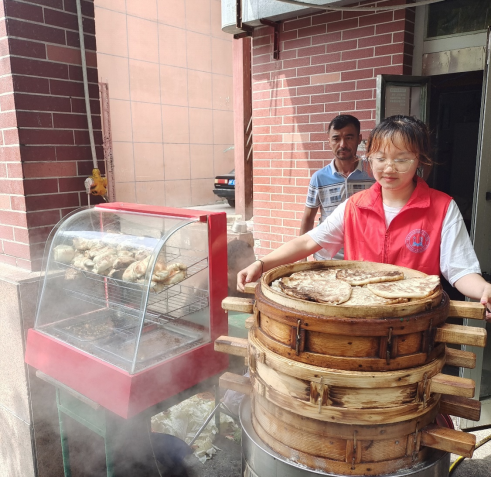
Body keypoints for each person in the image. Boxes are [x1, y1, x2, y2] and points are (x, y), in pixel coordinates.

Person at [238, 115, 491, 318]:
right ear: (369, 157)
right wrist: (261, 264)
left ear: (419, 160)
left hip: (414, 323)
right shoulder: (354, 206)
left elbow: (460, 270)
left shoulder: (442, 207)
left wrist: (484, 289)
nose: (389, 168)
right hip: (359, 322)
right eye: (380, 158)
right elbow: (308, 242)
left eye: (402, 159)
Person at [300, 115, 374, 260]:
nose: (342, 144)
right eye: (336, 138)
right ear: (329, 141)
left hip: (364, 258)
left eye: (349, 138)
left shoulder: (374, 174)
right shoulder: (319, 178)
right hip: (327, 259)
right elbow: (308, 218)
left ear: (359, 139)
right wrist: (302, 258)